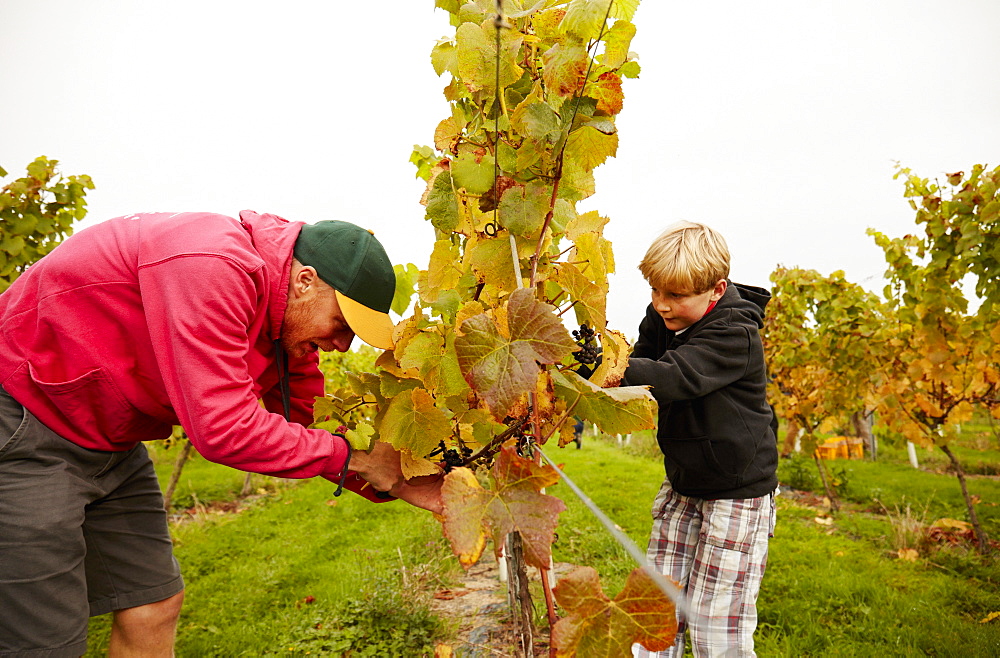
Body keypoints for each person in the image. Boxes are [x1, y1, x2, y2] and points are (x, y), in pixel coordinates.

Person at [0, 210, 443, 657]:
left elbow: (315, 422)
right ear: (306, 280)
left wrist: (409, 479)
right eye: (343, 325)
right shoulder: (210, 263)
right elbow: (225, 428)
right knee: (45, 638)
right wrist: (356, 459)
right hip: (26, 421)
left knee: (153, 602)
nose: (343, 345)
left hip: (110, 440)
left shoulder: (283, 326)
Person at [623, 221, 778, 658]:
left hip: (737, 492)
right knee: (657, 607)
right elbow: (639, 363)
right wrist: (592, 364)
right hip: (684, 481)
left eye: (675, 296)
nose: (661, 306)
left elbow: (674, 377)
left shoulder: (736, 332)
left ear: (716, 289)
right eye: (655, 292)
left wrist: (608, 367)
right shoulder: (660, 316)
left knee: (716, 620)